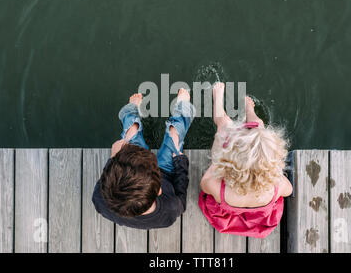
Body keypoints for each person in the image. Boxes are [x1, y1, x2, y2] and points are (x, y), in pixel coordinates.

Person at [199, 82, 292, 238]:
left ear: (230, 163)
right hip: (256, 219)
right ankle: (250, 111)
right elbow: (288, 191)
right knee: (260, 126)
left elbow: (204, 184)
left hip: (227, 214)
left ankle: (219, 104)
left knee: (223, 126)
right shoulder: (275, 187)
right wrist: (273, 173)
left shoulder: (220, 189)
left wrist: (217, 162)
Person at [92, 88, 195, 229]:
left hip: (130, 162)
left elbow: (107, 177)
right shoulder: (170, 208)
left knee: (131, 132)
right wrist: (181, 163)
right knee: (174, 136)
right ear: (159, 191)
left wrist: (114, 158)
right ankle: (182, 111)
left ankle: (131, 113)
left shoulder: (100, 199)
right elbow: (181, 194)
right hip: (166, 173)